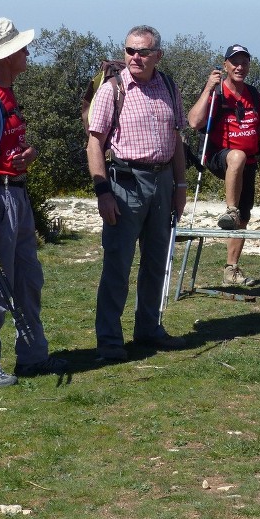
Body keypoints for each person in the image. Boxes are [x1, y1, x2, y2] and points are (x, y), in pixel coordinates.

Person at [0, 17, 66, 386]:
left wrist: (29, 154)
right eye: (21, 48)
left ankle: (33, 356)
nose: (27, 52)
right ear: (6, 56)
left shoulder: (5, 93)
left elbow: (9, 148)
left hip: (16, 193)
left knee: (28, 279)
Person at [87, 25, 187, 361]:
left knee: (157, 261)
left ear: (158, 55)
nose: (135, 57)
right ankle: (110, 341)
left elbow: (176, 141)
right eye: (130, 50)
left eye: (143, 52)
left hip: (163, 184)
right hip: (125, 183)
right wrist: (103, 191)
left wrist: (181, 186)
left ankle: (148, 329)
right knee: (118, 263)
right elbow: (94, 144)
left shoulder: (169, 87)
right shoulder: (112, 90)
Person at [188, 44, 260, 287]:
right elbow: (194, 121)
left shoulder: (253, 94)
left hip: (249, 160)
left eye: (244, 63)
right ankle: (230, 209)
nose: (239, 67)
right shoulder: (217, 93)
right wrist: (208, 87)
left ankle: (232, 269)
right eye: (234, 62)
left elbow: (259, 128)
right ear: (225, 65)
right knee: (236, 157)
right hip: (220, 156)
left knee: (244, 218)